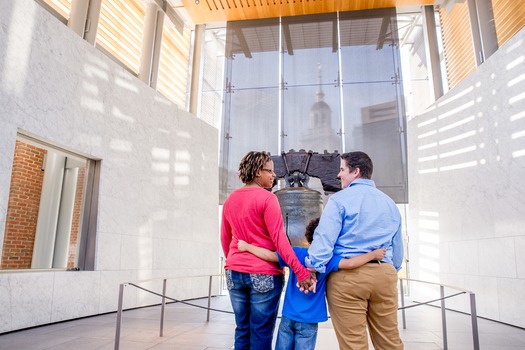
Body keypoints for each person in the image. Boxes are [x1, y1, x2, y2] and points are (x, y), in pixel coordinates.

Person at [238, 217, 386, 350]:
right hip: (309, 319)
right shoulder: (329, 259)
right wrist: (373, 255)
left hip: (288, 315)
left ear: (310, 236)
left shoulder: (296, 253)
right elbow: (351, 263)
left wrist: (246, 246)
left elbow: (270, 256)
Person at [306, 151, 404, 350]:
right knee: (390, 342)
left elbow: (324, 240)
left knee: (353, 345)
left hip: (348, 278)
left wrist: (312, 268)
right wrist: (390, 269)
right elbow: (397, 248)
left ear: (356, 172)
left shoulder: (339, 200)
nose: (338, 175)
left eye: (342, 169)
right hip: (384, 275)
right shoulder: (389, 203)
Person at [221, 151, 316, 350]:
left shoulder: (230, 199)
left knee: (242, 330)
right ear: (257, 173)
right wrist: (301, 271)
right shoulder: (267, 198)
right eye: (270, 171)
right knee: (260, 333)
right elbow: (281, 242)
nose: (274, 175)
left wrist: (232, 261)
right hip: (263, 274)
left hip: (234, 273)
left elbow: (225, 237)